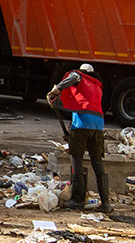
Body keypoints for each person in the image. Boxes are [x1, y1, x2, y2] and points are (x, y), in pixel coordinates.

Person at [46, 64, 110, 211]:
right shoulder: (98, 85)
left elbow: (73, 78)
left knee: (77, 160)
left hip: (81, 124)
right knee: (97, 162)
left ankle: (77, 200)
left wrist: (55, 91)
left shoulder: (80, 76)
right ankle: (106, 203)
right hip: (98, 125)